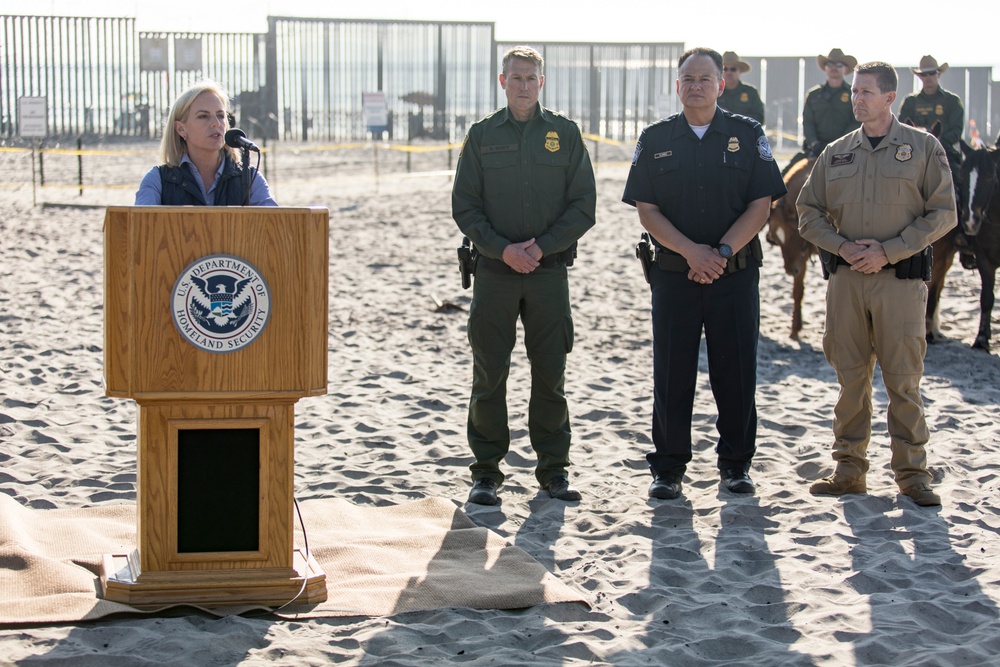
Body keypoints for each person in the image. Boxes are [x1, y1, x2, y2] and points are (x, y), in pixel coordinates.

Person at [622, 47, 786, 500]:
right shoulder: (655, 138)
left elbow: (761, 204)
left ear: (721, 84)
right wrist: (693, 252)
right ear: (677, 86)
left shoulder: (746, 133)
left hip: (733, 276)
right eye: (687, 79)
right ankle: (669, 468)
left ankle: (736, 465)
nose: (696, 85)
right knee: (672, 372)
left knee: (735, 372)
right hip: (674, 275)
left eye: (704, 78)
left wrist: (722, 251)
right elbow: (646, 209)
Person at [797, 61, 956, 507]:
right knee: (851, 380)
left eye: (866, 91)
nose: (856, 98)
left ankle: (911, 474)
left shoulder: (923, 148)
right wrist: (843, 247)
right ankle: (849, 470)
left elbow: (944, 212)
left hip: (899, 285)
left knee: (903, 381)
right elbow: (808, 211)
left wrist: (890, 250)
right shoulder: (837, 152)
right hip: (847, 283)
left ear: (890, 98)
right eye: (854, 91)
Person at [451, 45, 597, 506]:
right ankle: (486, 472)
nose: (523, 85)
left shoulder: (565, 134)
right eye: (515, 78)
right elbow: (465, 206)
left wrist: (540, 247)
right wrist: (502, 249)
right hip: (495, 274)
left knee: (550, 372)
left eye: (531, 78)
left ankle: (554, 470)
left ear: (542, 81)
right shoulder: (481, 136)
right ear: (502, 81)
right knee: (489, 372)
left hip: (548, 274)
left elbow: (583, 206)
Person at [135, 80, 276, 206]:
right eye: (203, 116)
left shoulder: (250, 178)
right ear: (181, 129)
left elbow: (275, 228)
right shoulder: (158, 179)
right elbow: (141, 227)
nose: (216, 123)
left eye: (220, 115)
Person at [899, 55, 973, 268]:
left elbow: (957, 130)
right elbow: (902, 128)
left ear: (938, 74)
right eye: (924, 74)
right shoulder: (910, 102)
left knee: (964, 185)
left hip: (945, 153)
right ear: (920, 77)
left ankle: (966, 235)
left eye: (932, 73)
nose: (928, 77)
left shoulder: (952, 101)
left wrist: (937, 143)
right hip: (914, 154)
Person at [784, 49, 861, 174]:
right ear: (825, 68)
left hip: (846, 149)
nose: (834, 68)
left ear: (846, 69)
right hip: (816, 149)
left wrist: (840, 143)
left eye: (839, 64)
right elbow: (807, 122)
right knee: (785, 178)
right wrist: (814, 143)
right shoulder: (813, 95)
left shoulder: (854, 95)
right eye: (829, 64)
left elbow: (856, 122)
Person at [717, 51, 765, 124]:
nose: (729, 72)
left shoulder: (751, 92)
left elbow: (759, 117)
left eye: (733, 69)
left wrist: (738, 121)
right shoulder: (714, 92)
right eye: (725, 69)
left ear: (740, 71)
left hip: (745, 133)